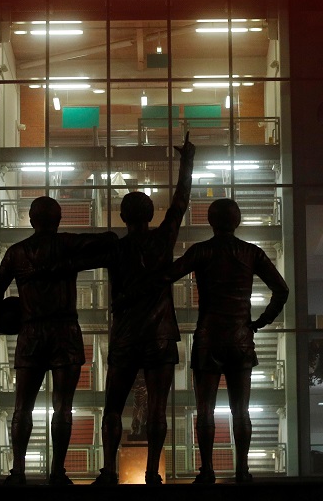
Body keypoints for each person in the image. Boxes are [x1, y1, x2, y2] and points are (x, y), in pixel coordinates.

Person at [83, 133, 194, 485]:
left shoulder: (114, 248)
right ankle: (151, 474)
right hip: (160, 335)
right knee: (158, 407)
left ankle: (109, 471)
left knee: (113, 406)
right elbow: (180, 202)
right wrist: (187, 162)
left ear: (122, 216)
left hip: (126, 335)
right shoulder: (163, 239)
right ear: (150, 214)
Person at [0, 195, 112, 486]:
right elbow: (105, 241)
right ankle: (57, 472)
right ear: (58, 219)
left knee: (22, 407)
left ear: (31, 220)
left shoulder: (16, 253)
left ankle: (18, 471)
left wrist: (0, 320)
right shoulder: (66, 243)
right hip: (64, 331)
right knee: (63, 406)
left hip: (31, 333)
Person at [167, 198, 289, 484]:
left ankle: (207, 470)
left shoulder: (201, 251)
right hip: (240, 338)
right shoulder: (252, 252)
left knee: (205, 410)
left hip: (208, 337)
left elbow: (168, 275)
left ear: (210, 221)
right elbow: (281, 290)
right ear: (238, 221)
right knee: (241, 410)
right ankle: (242, 470)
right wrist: (260, 321)